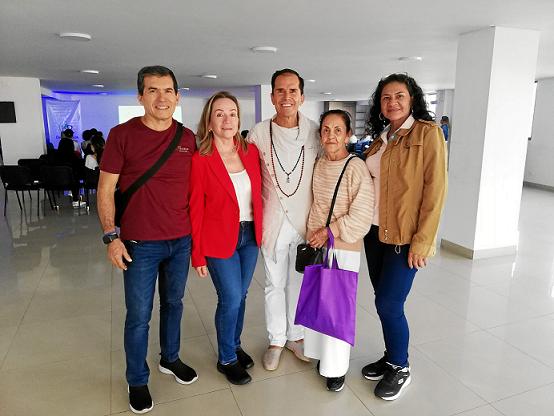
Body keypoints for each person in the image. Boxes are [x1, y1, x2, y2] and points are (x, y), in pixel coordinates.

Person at [97, 66, 198, 414]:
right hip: (140, 244)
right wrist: (112, 236)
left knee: (174, 303)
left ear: (177, 96)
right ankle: (137, 379)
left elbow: (197, 190)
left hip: (180, 240)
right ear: (140, 96)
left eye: (168, 90)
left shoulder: (187, 138)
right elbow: (105, 189)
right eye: (153, 90)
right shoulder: (121, 134)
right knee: (139, 315)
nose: (161, 98)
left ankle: (170, 358)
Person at [362, 73, 447, 401]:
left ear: (412, 99)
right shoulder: (382, 136)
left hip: (403, 235)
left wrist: (423, 240)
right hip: (374, 233)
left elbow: (435, 191)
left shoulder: (428, 134)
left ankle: (401, 366)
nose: (392, 102)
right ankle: (390, 355)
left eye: (399, 96)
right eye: (385, 97)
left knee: (388, 302)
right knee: (382, 301)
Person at [248, 68, 320, 370]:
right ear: (272, 96)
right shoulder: (259, 133)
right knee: (273, 285)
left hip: (306, 223)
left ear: (301, 96)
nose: (286, 96)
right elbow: (250, 180)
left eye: (292, 91)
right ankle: (276, 339)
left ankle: (296, 336)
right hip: (273, 222)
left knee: (300, 284)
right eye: (280, 90)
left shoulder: (315, 131)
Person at [189, 91, 263, 385]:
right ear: (209, 121)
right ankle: (226, 358)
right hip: (219, 240)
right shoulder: (200, 160)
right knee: (231, 297)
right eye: (219, 114)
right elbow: (195, 209)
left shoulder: (251, 152)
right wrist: (197, 255)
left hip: (250, 236)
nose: (227, 119)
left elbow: (260, 194)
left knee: (241, 296)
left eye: (232, 113)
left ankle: (234, 344)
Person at [304, 110, 374, 392]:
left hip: (342, 247)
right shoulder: (320, 164)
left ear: (348, 135)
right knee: (318, 303)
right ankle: (322, 357)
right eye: (325, 130)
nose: (330, 135)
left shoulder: (355, 166)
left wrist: (327, 232)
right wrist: (313, 233)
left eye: (337, 130)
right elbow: (317, 204)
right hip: (318, 245)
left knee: (337, 308)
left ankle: (337, 369)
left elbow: (362, 213)